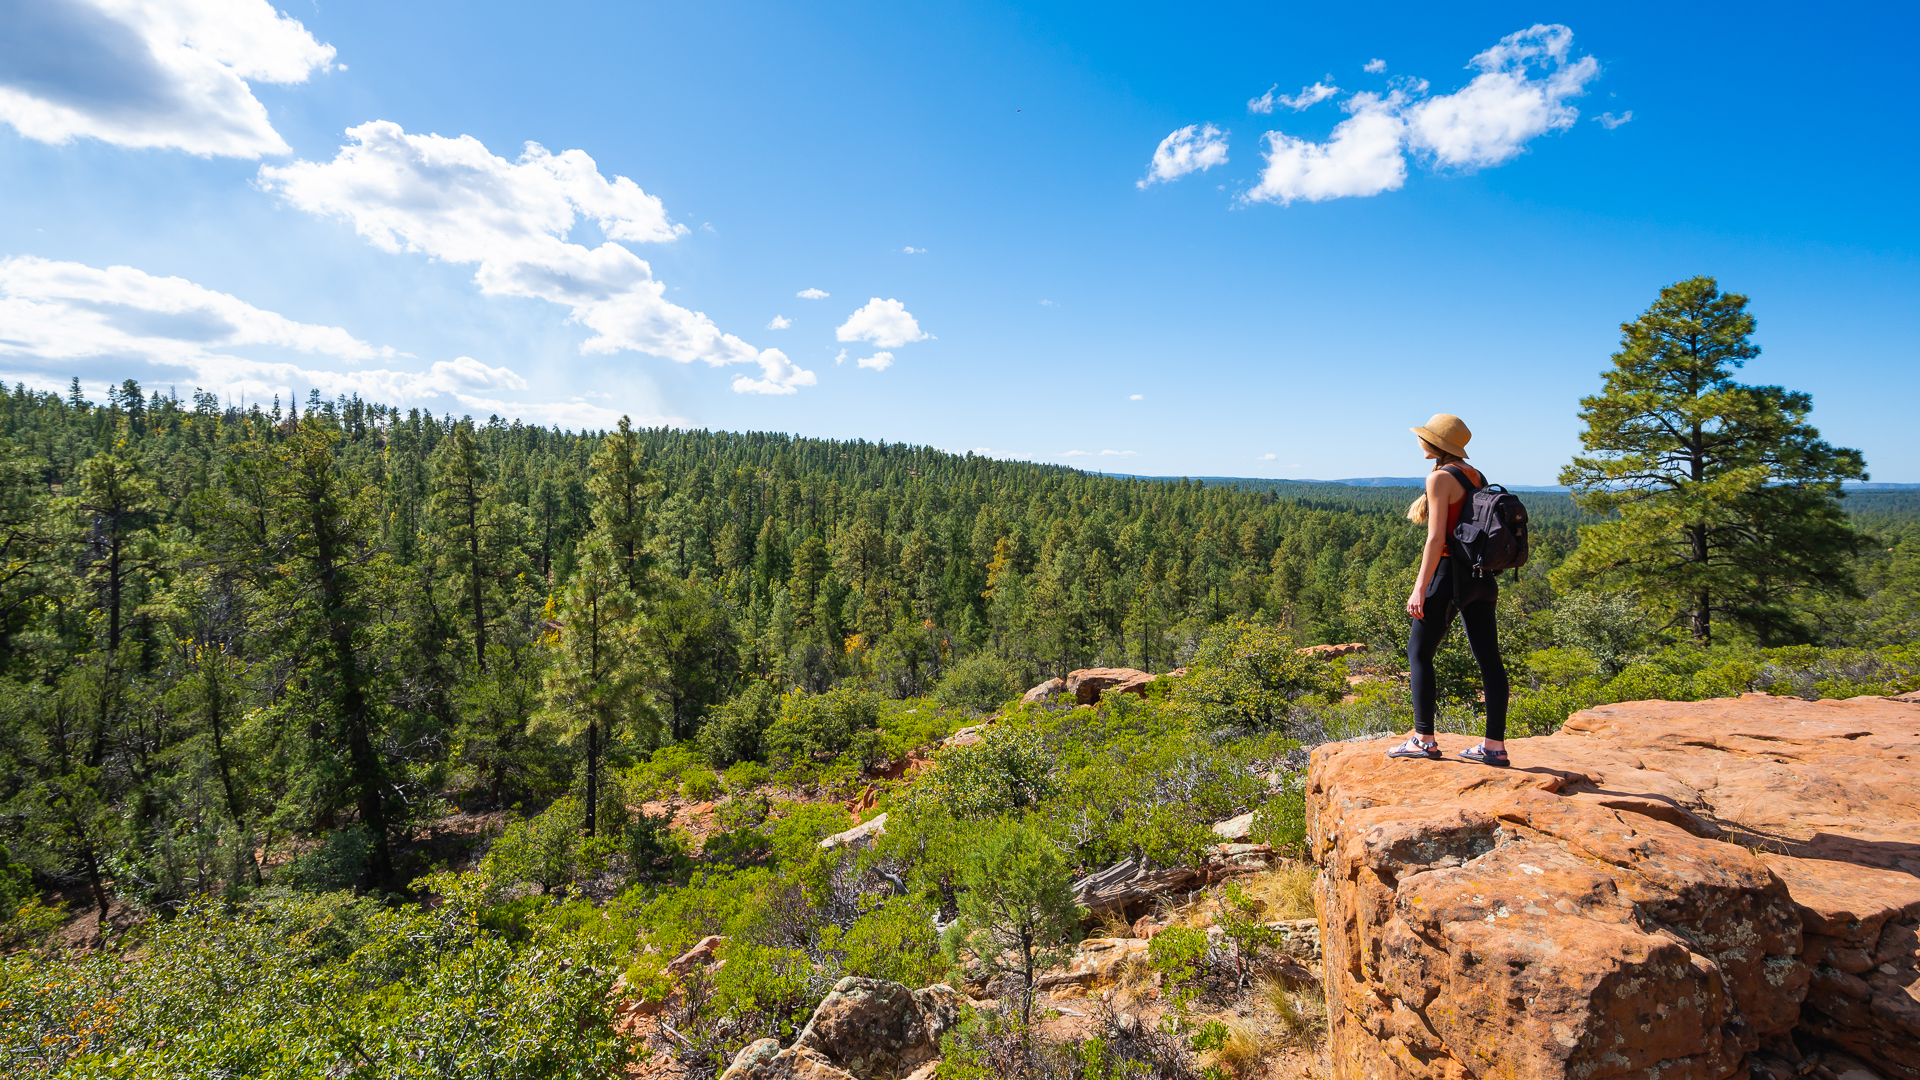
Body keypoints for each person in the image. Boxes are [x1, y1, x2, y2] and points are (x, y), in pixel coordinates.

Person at [1386, 414, 1511, 766]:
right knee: (1489, 660)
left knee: (1419, 652)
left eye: (1423, 437)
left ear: (1435, 445)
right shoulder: (1476, 475)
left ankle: (1424, 740)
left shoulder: (1440, 477)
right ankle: (1494, 747)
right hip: (1481, 578)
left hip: (1448, 576)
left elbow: (1436, 538)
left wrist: (1419, 588)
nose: (1419, 441)